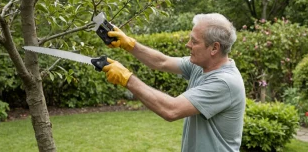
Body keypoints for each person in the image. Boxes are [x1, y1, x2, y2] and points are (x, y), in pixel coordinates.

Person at [102, 13, 246, 152]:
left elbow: (171, 110)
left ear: (214, 48)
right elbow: (162, 62)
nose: (187, 45)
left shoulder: (225, 82)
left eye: (194, 42)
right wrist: (128, 44)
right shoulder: (200, 65)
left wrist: (127, 79)